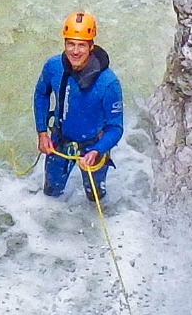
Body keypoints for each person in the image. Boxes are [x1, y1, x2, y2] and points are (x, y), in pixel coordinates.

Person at [33, 11, 124, 201]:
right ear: (64, 44)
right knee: (50, 194)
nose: (75, 51)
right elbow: (41, 93)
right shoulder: (53, 67)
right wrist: (42, 132)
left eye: (81, 45)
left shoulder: (108, 83)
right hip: (59, 141)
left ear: (91, 46)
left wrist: (97, 150)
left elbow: (115, 127)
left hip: (93, 145)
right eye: (70, 44)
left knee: (95, 197)